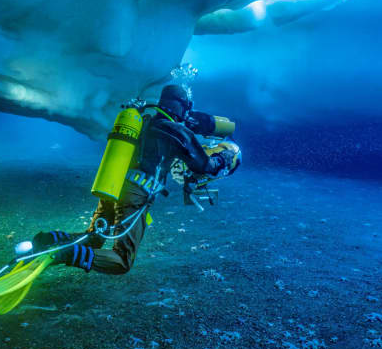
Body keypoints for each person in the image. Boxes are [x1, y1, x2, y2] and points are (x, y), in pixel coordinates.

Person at [33, 84, 240, 274]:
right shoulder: (177, 131)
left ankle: (49, 239)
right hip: (134, 195)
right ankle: (61, 254)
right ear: (183, 107)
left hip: (113, 186)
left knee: (94, 238)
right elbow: (204, 165)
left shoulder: (144, 121)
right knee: (122, 261)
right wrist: (225, 156)